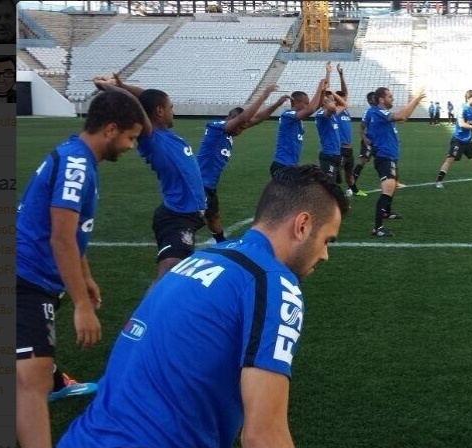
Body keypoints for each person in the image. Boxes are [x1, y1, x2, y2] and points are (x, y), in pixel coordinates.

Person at [56, 165, 350, 448]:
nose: (324, 255)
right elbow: (263, 437)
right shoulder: (273, 281)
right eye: (327, 240)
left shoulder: (203, 257)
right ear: (302, 225)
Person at [15, 89, 150, 448]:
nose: (131, 146)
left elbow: (73, 233)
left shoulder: (76, 155)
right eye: (130, 137)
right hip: (24, 277)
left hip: (30, 275)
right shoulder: (76, 165)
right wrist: (81, 305)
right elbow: (60, 238)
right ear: (110, 129)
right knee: (32, 381)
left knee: (32, 370)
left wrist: (85, 275)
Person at [93, 73, 208, 286]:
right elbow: (136, 103)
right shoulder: (151, 137)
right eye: (171, 107)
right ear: (159, 111)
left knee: (180, 276)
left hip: (186, 215)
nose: (173, 112)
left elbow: (145, 97)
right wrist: (105, 87)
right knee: (169, 273)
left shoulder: (166, 135)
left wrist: (121, 84)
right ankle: (142, 319)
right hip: (177, 218)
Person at [198, 84, 285, 243]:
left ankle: (221, 243)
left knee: (213, 216)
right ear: (230, 119)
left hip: (209, 185)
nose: (241, 131)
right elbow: (244, 119)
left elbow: (256, 119)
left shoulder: (231, 130)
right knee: (191, 220)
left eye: (243, 128)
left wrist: (277, 104)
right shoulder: (216, 127)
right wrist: (265, 94)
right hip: (199, 185)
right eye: (240, 126)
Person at [364, 85, 426, 237]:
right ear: (381, 99)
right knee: (388, 187)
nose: (392, 98)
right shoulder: (378, 112)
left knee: (391, 186)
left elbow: (402, 119)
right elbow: (400, 117)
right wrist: (415, 99)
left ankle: (386, 214)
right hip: (384, 156)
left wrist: (416, 103)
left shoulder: (381, 113)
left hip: (389, 155)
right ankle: (377, 228)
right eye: (390, 96)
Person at [271, 62, 332, 178]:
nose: (307, 106)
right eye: (305, 103)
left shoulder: (297, 117)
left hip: (291, 165)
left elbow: (317, 104)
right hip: (282, 165)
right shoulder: (287, 115)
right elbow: (311, 109)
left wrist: (327, 76)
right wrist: (319, 88)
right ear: (294, 102)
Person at [434, 89, 472, 188]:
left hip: (468, 140)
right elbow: (462, 124)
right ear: (467, 98)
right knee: (450, 159)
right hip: (458, 139)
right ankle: (438, 181)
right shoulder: (462, 109)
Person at [333, 64, 366, 197]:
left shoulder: (345, 110)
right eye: (343, 98)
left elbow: (344, 92)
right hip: (339, 148)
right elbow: (343, 95)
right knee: (334, 173)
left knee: (349, 172)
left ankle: (354, 190)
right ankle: (332, 194)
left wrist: (341, 75)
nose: (346, 99)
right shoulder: (335, 111)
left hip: (348, 148)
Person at [314, 90, 348, 188]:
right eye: (331, 101)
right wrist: (328, 99)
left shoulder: (333, 115)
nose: (334, 102)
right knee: (328, 185)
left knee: (333, 183)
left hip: (336, 154)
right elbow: (332, 108)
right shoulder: (322, 115)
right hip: (328, 155)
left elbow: (345, 105)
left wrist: (333, 93)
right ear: (324, 103)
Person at [350, 90, 376, 188]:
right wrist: (365, 139)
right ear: (370, 101)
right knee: (361, 162)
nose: (377, 98)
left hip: (380, 142)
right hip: (369, 141)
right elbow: (361, 128)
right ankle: (351, 185)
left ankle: (394, 181)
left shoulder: (382, 110)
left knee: (386, 160)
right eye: (374, 97)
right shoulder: (369, 112)